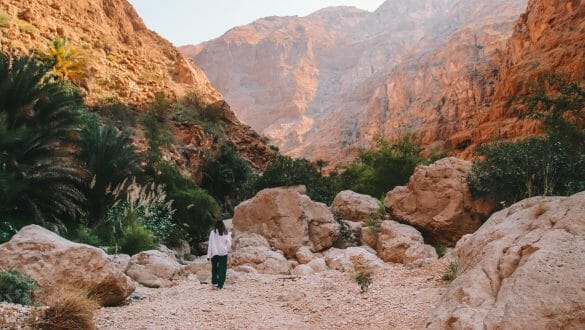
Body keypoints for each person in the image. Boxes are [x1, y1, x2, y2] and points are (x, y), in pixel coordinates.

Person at [206, 220, 231, 289]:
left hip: (214, 253)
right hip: (223, 253)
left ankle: (214, 283)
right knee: (222, 269)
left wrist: (208, 255)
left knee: (214, 268)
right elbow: (229, 243)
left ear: (216, 225)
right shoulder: (226, 232)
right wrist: (227, 249)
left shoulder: (212, 232)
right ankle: (220, 285)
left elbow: (210, 244)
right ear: (223, 225)